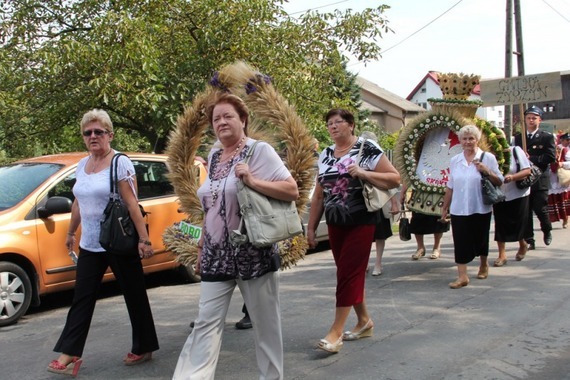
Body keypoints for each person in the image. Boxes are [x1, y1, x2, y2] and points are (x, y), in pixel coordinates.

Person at [173, 93, 298, 380]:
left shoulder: (259, 151)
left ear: (243, 120)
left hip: (253, 252)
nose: (221, 122)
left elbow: (290, 190)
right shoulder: (215, 156)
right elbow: (212, 205)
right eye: (216, 119)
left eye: (228, 116)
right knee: (205, 323)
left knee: (265, 326)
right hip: (216, 254)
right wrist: (203, 246)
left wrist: (253, 181)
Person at [47, 109, 159, 376]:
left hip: (118, 240)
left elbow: (132, 203)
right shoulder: (82, 165)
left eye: (99, 132)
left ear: (110, 134)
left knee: (134, 294)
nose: (93, 136)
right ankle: (70, 353)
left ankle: (144, 345)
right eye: (88, 133)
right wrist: (71, 232)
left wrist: (144, 240)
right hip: (90, 244)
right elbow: (78, 202)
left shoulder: (120, 163)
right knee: (82, 298)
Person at [307, 108, 400, 353]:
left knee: (347, 274)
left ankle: (335, 332)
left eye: (338, 122)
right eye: (329, 123)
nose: (333, 127)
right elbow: (318, 195)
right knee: (350, 274)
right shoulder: (326, 154)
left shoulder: (366, 148)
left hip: (361, 221)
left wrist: (363, 172)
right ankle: (364, 321)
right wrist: (311, 228)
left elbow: (394, 178)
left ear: (351, 125)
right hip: (336, 224)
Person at [441, 125, 504, 289]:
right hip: (459, 208)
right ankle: (462, 276)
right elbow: (450, 185)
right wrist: (444, 207)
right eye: (464, 138)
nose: (468, 142)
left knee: (480, 238)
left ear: (477, 139)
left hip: (480, 206)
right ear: (460, 141)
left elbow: (499, 181)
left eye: (471, 138)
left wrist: (487, 170)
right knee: (460, 240)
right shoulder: (455, 160)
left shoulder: (487, 157)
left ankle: (483, 264)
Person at [514, 105, 556, 250]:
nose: (531, 120)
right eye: (528, 118)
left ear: (539, 120)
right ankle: (529, 239)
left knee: (540, 208)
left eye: (534, 118)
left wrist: (531, 158)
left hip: (539, 178)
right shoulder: (519, 138)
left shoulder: (546, 137)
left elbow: (550, 157)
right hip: (524, 178)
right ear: (524, 120)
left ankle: (547, 229)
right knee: (526, 211)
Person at [492, 141, 532, 266]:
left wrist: (513, 177)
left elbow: (527, 171)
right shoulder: (489, 155)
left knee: (518, 221)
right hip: (499, 194)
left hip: (517, 193)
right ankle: (502, 254)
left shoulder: (515, 150)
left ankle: (522, 243)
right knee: (500, 223)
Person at [401, 184, 449, 261]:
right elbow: (409, 175)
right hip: (419, 193)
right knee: (417, 219)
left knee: (437, 220)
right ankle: (420, 248)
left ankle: (436, 248)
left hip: (438, 192)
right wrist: (403, 192)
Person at [371, 195, 399, 276]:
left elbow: (389, 186)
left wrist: (394, 203)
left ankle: (378, 263)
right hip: (362, 202)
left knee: (380, 234)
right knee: (362, 235)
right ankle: (364, 263)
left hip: (379, 202)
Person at [547, 132, 570, 229]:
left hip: (561, 178)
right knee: (551, 200)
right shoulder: (547, 150)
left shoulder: (563, 150)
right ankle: (548, 222)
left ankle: (565, 219)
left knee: (563, 199)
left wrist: (562, 164)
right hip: (551, 178)